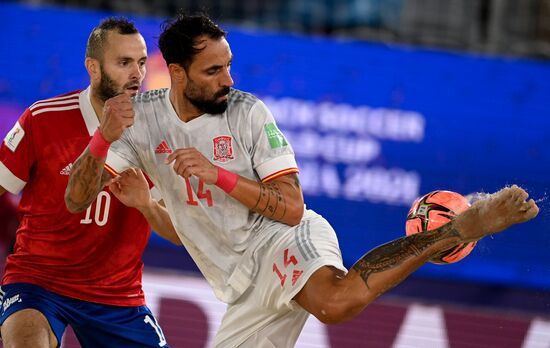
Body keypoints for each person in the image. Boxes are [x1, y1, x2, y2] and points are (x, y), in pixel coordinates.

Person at [65, 12, 540, 348]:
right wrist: (115, 156)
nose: (228, 78)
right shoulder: (139, 122)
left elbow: (290, 206)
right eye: (214, 70)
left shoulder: (247, 113)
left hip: (283, 238)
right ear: (175, 74)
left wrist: (219, 176)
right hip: (243, 289)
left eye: (229, 65)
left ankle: (457, 229)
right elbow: (77, 199)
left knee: (335, 302)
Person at [0, 18, 179, 348]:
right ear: (93, 68)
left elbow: (182, 233)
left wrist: (146, 204)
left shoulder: (162, 139)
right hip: (38, 281)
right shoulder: (43, 119)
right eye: (124, 63)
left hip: (117, 294)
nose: (137, 74)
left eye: (141, 62)